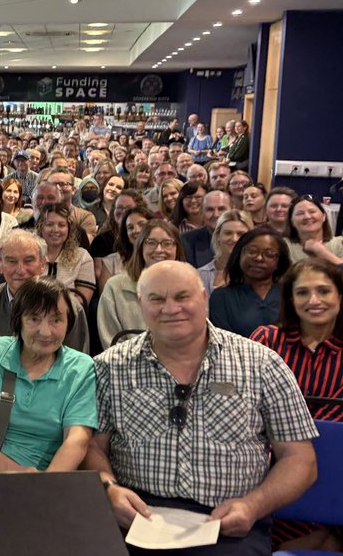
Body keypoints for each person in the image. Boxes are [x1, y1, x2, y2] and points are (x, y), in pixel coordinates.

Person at [85, 260, 318, 556]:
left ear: (204, 298)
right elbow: (92, 446)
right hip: (133, 516)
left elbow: (300, 460)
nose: (170, 309)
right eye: (157, 299)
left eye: (182, 297)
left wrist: (253, 505)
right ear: (141, 304)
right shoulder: (108, 367)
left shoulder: (262, 364)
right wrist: (109, 491)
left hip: (230, 522)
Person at [0, 277, 95, 473]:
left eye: (56, 320)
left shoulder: (82, 368)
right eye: (34, 319)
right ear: (19, 320)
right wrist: (15, 473)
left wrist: (43, 485)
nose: (45, 332)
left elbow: (77, 440)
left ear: (69, 323)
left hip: (49, 474)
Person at [251, 258, 343, 552]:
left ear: (340, 295)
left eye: (324, 291)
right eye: (302, 292)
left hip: (334, 475)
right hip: (267, 468)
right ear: (290, 299)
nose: (313, 300)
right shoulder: (267, 340)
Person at [0, 230, 90, 353]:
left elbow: (78, 365)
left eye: (29, 260)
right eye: (12, 261)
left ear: (42, 263)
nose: (20, 270)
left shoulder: (70, 308)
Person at [98, 219, 184, 349]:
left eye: (167, 243)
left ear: (177, 248)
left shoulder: (190, 286)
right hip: (129, 365)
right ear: (140, 246)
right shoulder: (115, 288)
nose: (159, 249)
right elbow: (111, 343)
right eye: (151, 243)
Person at [209, 228, 290, 338]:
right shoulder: (221, 297)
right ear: (239, 255)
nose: (259, 258)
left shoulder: (289, 293)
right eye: (252, 252)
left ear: (279, 261)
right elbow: (224, 344)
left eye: (269, 254)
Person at [36, 204, 96, 307]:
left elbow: (82, 302)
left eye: (61, 225)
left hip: (70, 317)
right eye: (49, 224)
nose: (55, 230)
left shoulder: (82, 257)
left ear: (69, 229)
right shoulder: (29, 254)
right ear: (41, 227)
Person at [197, 211, 251, 294]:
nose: (234, 239)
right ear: (218, 235)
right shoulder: (199, 274)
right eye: (228, 233)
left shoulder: (256, 274)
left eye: (240, 234)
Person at [181, 190, 231, 268]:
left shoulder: (245, 238)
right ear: (202, 213)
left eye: (221, 209)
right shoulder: (186, 241)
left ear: (232, 210)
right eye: (210, 210)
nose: (216, 215)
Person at [285, 197, 343, 264]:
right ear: (291, 221)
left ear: (324, 216)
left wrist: (321, 251)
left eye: (312, 211)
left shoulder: (339, 243)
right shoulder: (284, 246)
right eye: (300, 213)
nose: (307, 216)